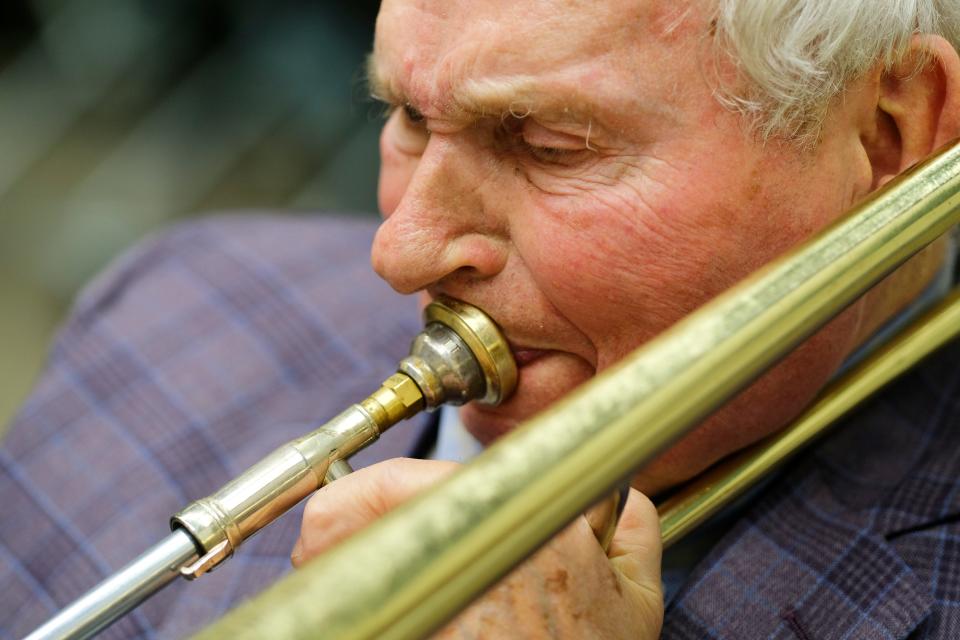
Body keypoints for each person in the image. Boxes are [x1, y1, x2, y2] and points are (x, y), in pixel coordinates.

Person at [2, 1, 959, 638]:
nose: (400, 251)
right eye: (406, 119)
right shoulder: (181, 296)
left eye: (548, 145)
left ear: (888, 135)